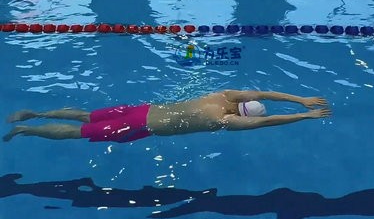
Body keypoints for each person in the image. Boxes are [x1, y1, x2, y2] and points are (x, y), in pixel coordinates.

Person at [3, 89, 331, 143]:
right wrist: (303, 117)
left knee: (87, 116)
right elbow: (267, 121)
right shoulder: (225, 122)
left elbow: (264, 93)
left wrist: (300, 99)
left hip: (142, 109)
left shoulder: (222, 96)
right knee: (76, 134)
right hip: (139, 126)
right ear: (241, 115)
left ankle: (36, 113)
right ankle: (26, 132)